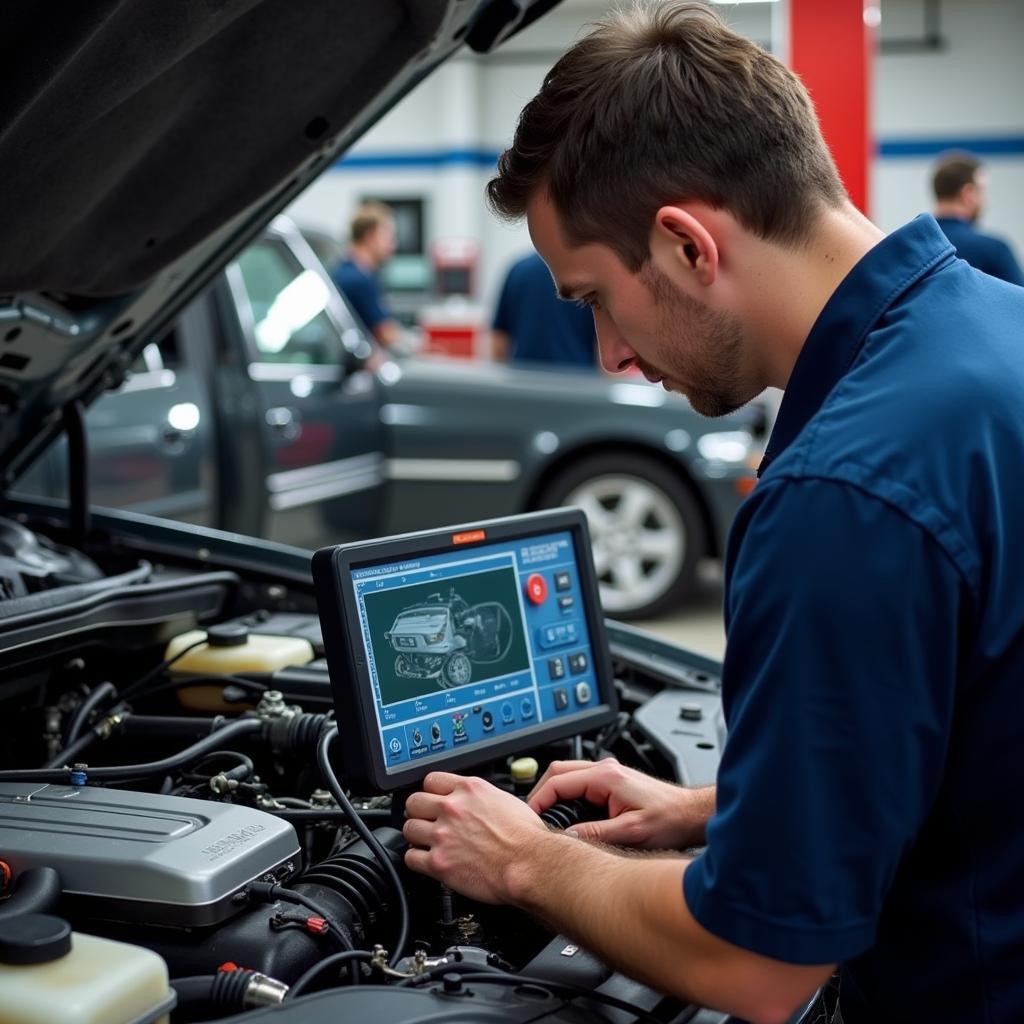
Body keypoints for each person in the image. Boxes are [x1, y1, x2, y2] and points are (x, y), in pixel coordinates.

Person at [401, 4, 1024, 1023]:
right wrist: (726, 811)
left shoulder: (843, 496)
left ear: (687, 245)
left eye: (595, 296)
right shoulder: (994, 330)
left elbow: (754, 966)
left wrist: (528, 863)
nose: (608, 354)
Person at [932, 151, 1024, 285]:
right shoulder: (994, 251)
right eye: (982, 191)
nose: (985, 201)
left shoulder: (913, 247)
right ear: (968, 194)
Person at [492, 250, 597, 366]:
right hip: (577, 377)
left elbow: (500, 339)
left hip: (523, 376)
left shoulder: (518, 270)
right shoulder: (586, 274)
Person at [331, 201, 402, 347]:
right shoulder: (359, 280)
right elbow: (387, 335)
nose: (393, 246)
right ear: (370, 237)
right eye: (388, 238)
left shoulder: (344, 270)